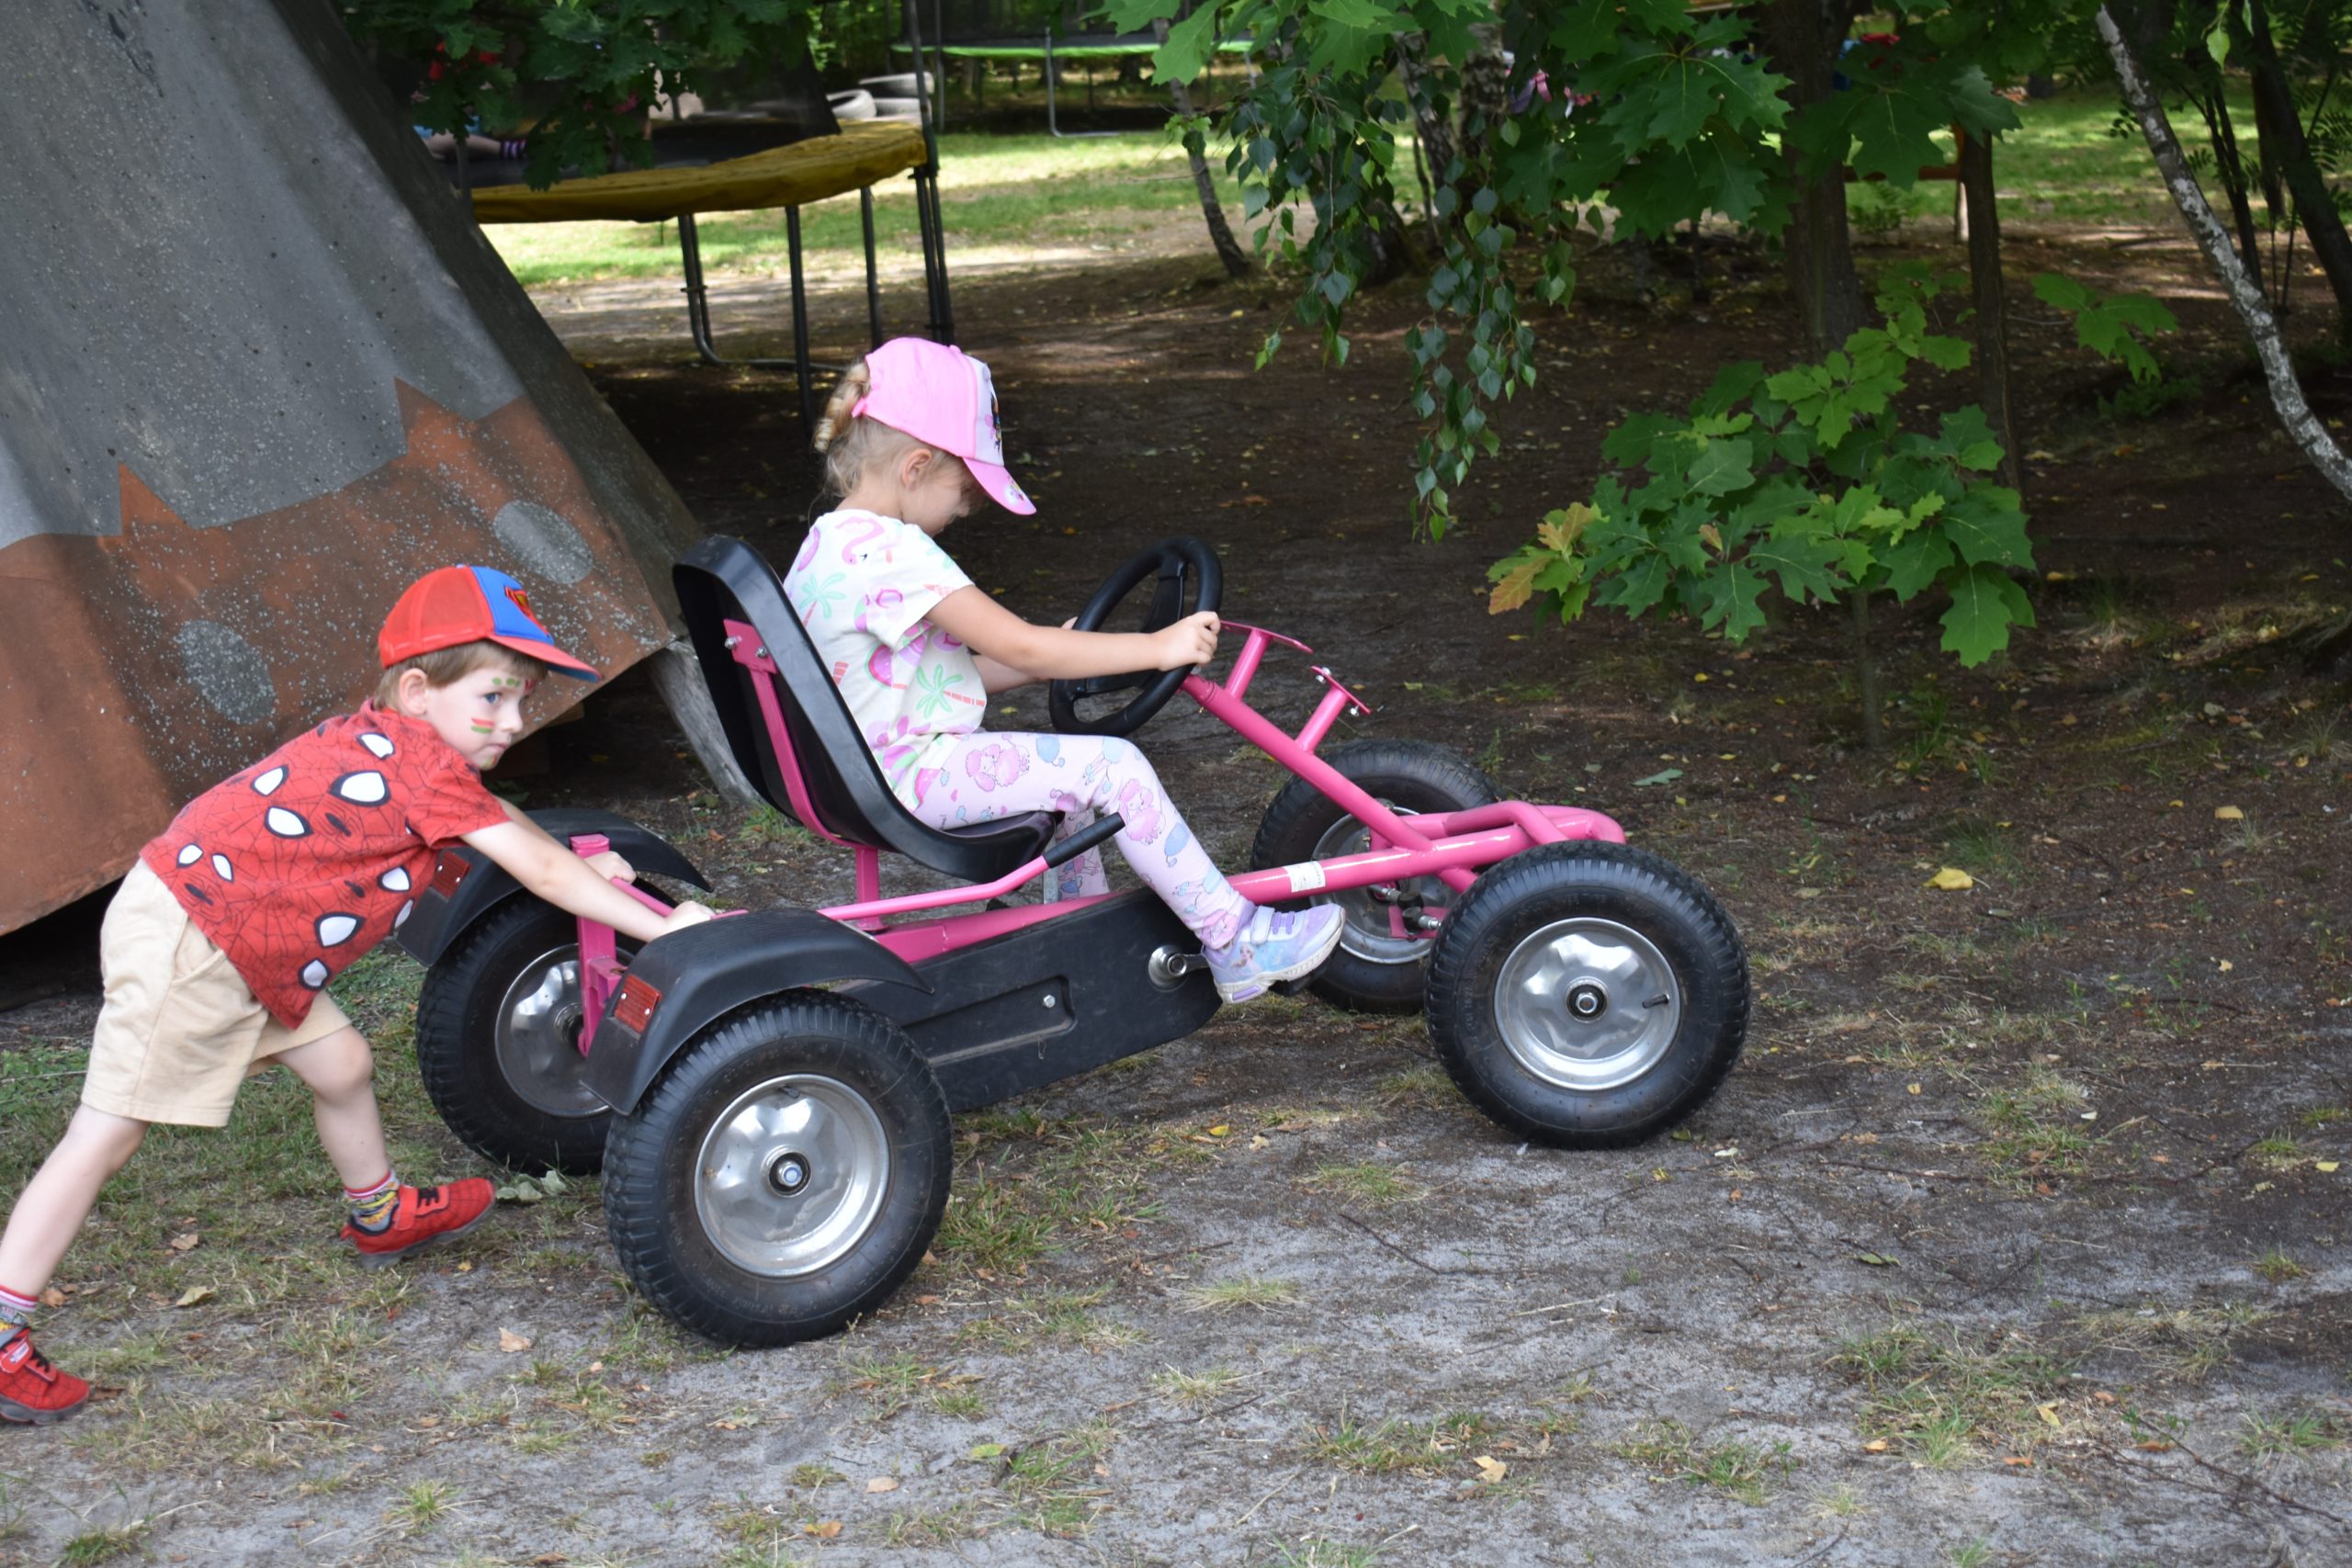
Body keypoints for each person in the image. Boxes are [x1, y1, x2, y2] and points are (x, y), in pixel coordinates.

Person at [0, 567, 715, 1426]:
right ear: (417, 691)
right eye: (493, 696)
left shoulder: (394, 742)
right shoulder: (421, 766)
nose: (514, 720)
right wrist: (663, 925)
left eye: (521, 699)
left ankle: (379, 1215)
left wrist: (584, 865)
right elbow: (539, 869)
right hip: (200, 942)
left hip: (236, 936)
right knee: (105, 1134)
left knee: (341, 1062)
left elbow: (501, 821)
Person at [785, 335, 1344, 1006]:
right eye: (964, 492)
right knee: (1113, 767)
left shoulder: (826, 546)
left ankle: (1081, 948)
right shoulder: (895, 553)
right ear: (916, 466)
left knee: (1073, 791)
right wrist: (1157, 647)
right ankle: (1236, 938)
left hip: (862, 775)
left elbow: (928, 678)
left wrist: (1058, 654)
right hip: (905, 779)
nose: (963, 510)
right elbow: (1026, 647)